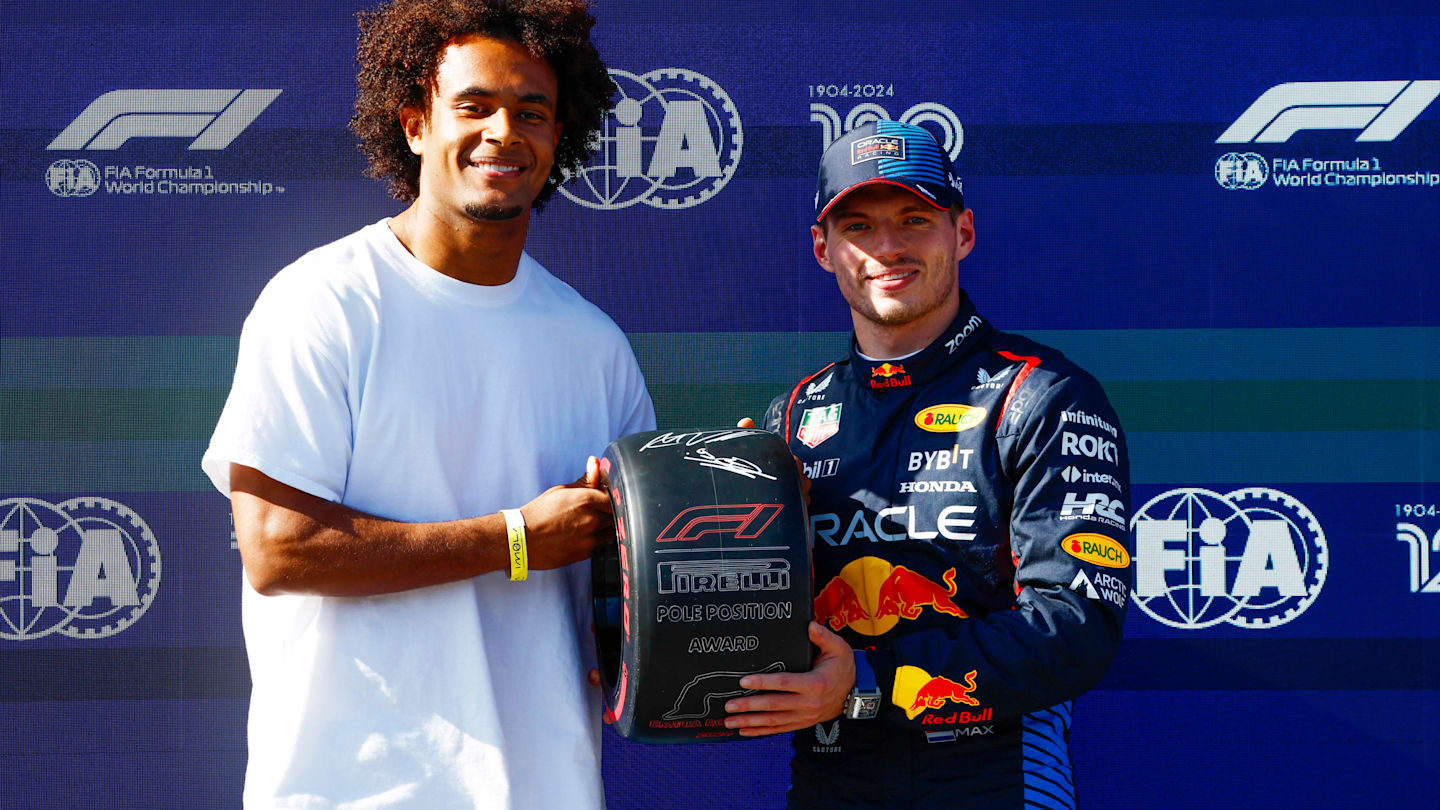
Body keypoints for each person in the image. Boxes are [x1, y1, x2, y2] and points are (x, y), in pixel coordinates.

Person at [201, 1, 653, 807]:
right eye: (474, 106)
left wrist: (742, 505)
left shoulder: (595, 345)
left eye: (532, 112)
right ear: (415, 125)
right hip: (355, 790)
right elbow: (278, 548)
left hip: (548, 787)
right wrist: (514, 538)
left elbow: (639, 576)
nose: (503, 133)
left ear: (560, 137)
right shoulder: (323, 302)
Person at [724, 120, 1133, 809]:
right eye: (858, 226)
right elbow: (763, 622)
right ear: (825, 249)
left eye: (914, 219)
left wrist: (865, 681)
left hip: (995, 778)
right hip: (833, 781)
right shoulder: (789, 418)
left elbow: (1076, 626)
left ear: (962, 233)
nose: (887, 248)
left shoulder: (1041, 394)